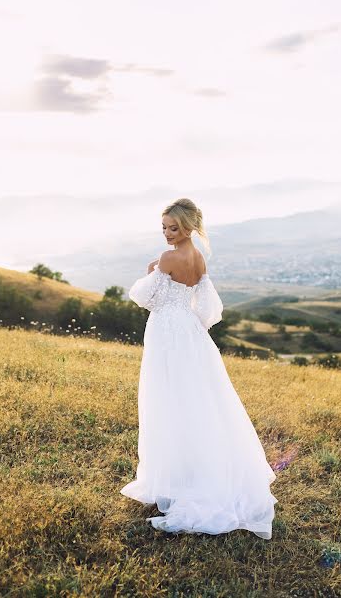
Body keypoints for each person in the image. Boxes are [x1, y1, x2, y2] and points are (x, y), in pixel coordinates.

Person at [120, 198, 277, 538]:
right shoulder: (198, 257)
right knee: (197, 398)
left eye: (172, 228)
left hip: (165, 329)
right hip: (190, 330)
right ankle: (193, 470)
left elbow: (144, 297)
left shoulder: (168, 258)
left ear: (188, 228)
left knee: (167, 398)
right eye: (163, 227)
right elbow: (207, 308)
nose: (166, 233)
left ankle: (177, 476)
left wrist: (151, 273)